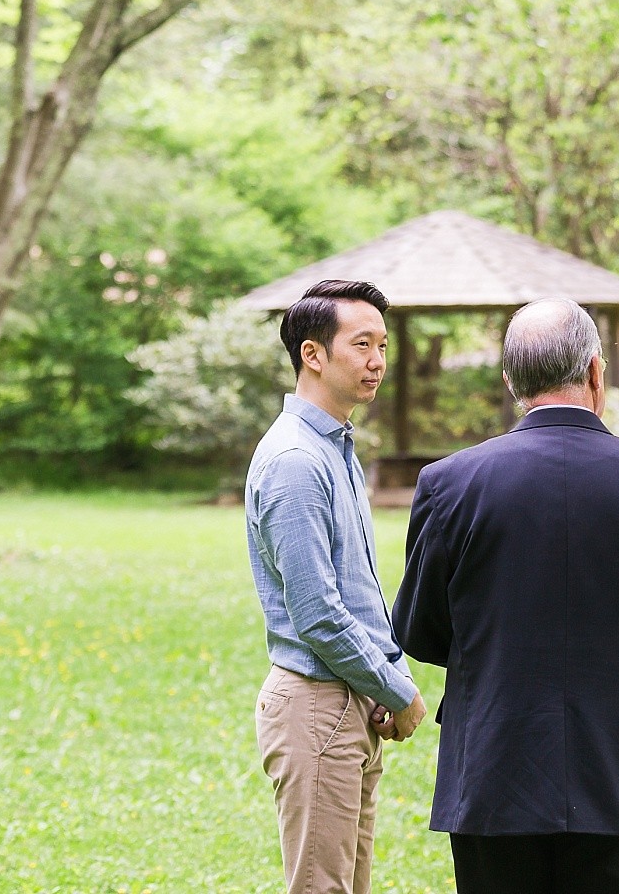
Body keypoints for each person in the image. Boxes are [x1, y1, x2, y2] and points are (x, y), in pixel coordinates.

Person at [392, 297, 619, 894]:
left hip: (494, 776)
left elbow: (419, 630)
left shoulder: (449, 484)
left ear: (510, 383)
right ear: (597, 372)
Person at [245, 278, 428, 894]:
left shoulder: (336, 447)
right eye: (361, 343)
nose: (377, 360)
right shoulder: (296, 460)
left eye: (382, 345)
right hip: (318, 706)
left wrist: (380, 677)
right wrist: (396, 689)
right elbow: (318, 614)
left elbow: (356, 592)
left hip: (350, 700)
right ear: (312, 354)